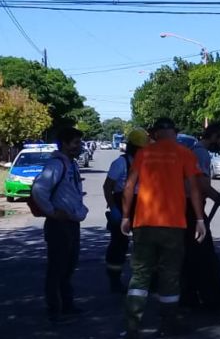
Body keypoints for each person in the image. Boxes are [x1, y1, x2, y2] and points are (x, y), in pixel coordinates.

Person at [121, 118, 206, 339]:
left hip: (144, 224)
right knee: (169, 275)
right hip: (173, 225)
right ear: (174, 133)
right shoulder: (184, 153)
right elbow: (194, 188)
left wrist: (126, 216)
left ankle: (133, 326)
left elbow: (129, 186)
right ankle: (169, 324)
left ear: (156, 134)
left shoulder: (144, 154)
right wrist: (199, 219)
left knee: (140, 276)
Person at [30, 126, 88, 322]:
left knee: (69, 265)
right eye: (75, 143)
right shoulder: (56, 165)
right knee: (58, 266)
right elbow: (39, 190)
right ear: (64, 143)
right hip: (59, 225)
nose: (79, 147)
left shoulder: (71, 164)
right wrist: (53, 212)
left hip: (71, 223)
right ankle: (55, 307)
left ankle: (67, 304)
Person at [177, 123, 220, 310]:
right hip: (193, 209)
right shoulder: (201, 153)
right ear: (214, 135)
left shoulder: (193, 150)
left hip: (187, 207)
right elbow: (203, 186)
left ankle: (190, 296)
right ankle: (212, 298)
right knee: (205, 257)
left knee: (191, 256)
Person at [102, 128, 149, 293]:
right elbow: (107, 187)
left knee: (143, 243)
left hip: (141, 204)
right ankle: (114, 279)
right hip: (121, 202)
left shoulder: (146, 162)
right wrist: (114, 208)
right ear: (135, 148)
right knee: (119, 243)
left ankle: (142, 278)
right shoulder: (120, 163)